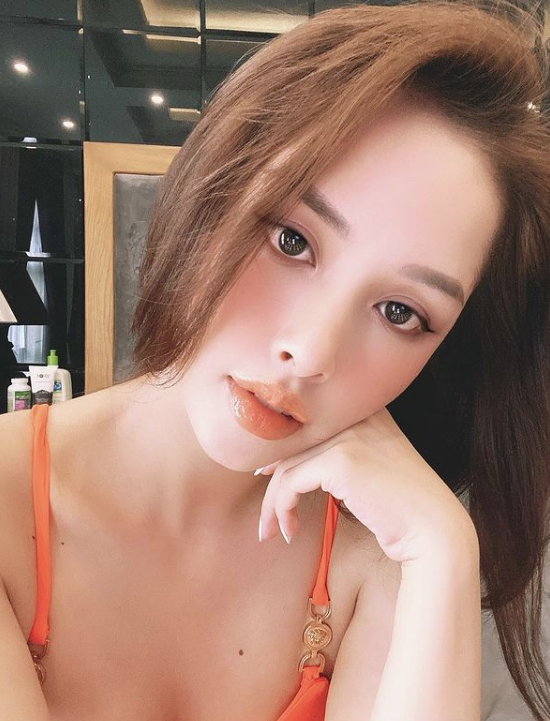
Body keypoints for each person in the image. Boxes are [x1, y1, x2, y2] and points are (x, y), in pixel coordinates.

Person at [1, 1, 549, 719]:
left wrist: (443, 551)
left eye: (400, 312)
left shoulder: (380, 554)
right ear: (213, 186)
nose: (310, 351)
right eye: (292, 241)